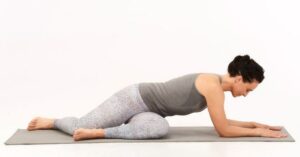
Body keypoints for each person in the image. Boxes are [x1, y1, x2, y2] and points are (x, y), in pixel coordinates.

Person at [27, 55, 287, 141]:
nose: (246, 94)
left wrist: (255, 124)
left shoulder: (217, 88)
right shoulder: (213, 86)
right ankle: (54, 121)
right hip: (134, 98)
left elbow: (225, 122)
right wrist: (260, 133)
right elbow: (223, 130)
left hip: (151, 112)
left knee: (160, 128)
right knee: (77, 126)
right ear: (239, 78)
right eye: (249, 89)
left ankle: (100, 133)